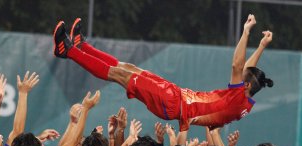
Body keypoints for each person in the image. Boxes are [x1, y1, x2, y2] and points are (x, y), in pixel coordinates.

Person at [53, 15, 273, 131]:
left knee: (119, 75)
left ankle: (69, 51)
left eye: (242, 79)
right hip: (175, 96)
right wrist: (261, 46)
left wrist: (245, 32)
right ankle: (83, 47)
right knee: (129, 68)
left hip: (172, 103)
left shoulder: (236, 98)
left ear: (244, 87)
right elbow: (245, 71)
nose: (239, 75)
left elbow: (237, 66)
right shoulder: (243, 99)